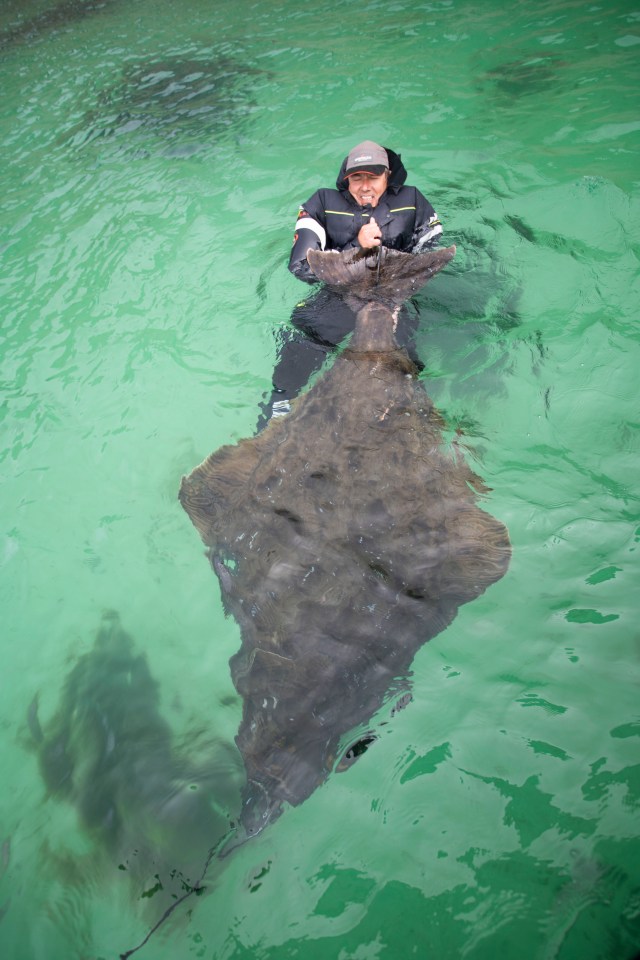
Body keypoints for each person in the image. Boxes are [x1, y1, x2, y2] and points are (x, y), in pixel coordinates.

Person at [257, 141, 443, 427]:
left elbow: (430, 244)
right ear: (346, 179)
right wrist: (357, 247)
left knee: (405, 362)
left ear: (388, 176)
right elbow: (300, 266)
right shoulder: (320, 204)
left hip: (396, 294)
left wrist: (398, 295)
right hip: (340, 291)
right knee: (305, 340)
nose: (365, 186)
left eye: (374, 177)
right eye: (357, 177)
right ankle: (280, 402)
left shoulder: (413, 200)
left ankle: (406, 413)